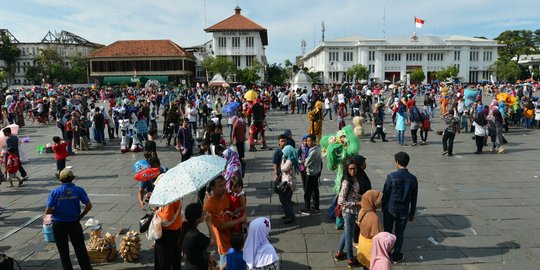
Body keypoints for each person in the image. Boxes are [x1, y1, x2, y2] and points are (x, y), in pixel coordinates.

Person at [45, 168, 92, 270]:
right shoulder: (79, 190)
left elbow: (48, 211)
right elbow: (88, 205)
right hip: (74, 223)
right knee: (80, 248)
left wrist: (58, 212)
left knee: (63, 251)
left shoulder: (55, 192)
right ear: (72, 179)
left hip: (58, 224)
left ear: (60, 180)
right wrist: (81, 216)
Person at [382, 152, 418, 264]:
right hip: (403, 210)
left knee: (387, 231)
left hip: (390, 208)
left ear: (397, 163)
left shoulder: (391, 176)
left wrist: (383, 206)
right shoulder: (413, 178)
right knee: (399, 233)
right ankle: (396, 255)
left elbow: (385, 193)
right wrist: (412, 212)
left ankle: (386, 253)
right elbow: (414, 198)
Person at [204, 176, 247, 269]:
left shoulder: (228, 195)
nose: (224, 187)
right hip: (224, 244)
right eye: (220, 186)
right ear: (212, 188)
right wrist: (241, 220)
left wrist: (243, 223)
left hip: (236, 239)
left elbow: (240, 210)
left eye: (224, 184)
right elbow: (221, 226)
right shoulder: (209, 205)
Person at [334, 159, 362, 268]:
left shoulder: (354, 179)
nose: (353, 171)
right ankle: (350, 259)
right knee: (349, 236)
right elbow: (341, 201)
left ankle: (339, 254)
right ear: (347, 170)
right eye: (350, 169)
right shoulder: (346, 182)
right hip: (348, 212)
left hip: (352, 211)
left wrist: (360, 197)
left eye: (354, 168)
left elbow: (353, 194)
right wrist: (356, 204)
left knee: (346, 232)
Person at [179, 203, 217, 270]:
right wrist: (209, 222)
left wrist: (207, 255)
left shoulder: (186, 230)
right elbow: (213, 241)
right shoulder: (196, 236)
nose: (204, 214)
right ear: (197, 219)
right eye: (203, 213)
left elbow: (196, 249)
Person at [357, 190, 383, 268]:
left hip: (362, 244)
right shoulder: (374, 218)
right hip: (370, 249)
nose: (381, 202)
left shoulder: (362, 210)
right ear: (372, 201)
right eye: (378, 200)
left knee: (364, 266)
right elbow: (378, 236)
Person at [154, 199, 183, 270]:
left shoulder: (168, 199)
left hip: (167, 232)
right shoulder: (176, 195)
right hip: (177, 228)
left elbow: (167, 217)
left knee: (164, 260)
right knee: (175, 259)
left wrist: (157, 211)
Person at [352, 154, 372, 247]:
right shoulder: (357, 175)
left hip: (365, 202)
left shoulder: (361, 173)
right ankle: (355, 240)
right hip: (360, 203)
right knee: (358, 222)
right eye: (363, 162)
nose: (365, 164)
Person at [299, 134, 321, 215]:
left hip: (311, 173)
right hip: (316, 172)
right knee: (315, 190)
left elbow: (306, 163)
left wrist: (301, 161)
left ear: (314, 141)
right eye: (307, 141)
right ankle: (316, 207)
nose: (307, 143)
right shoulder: (317, 148)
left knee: (307, 192)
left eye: (309, 141)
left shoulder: (314, 151)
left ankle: (307, 208)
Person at [277, 145, 299, 224]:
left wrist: (282, 160)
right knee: (287, 200)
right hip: (289, 182)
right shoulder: (290, 158)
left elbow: (283, 169)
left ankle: (290, 216)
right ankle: (288, 214)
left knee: (285, 200)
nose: (283, 153)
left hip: (288, 183)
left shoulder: (290, 160)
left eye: (284, 152)